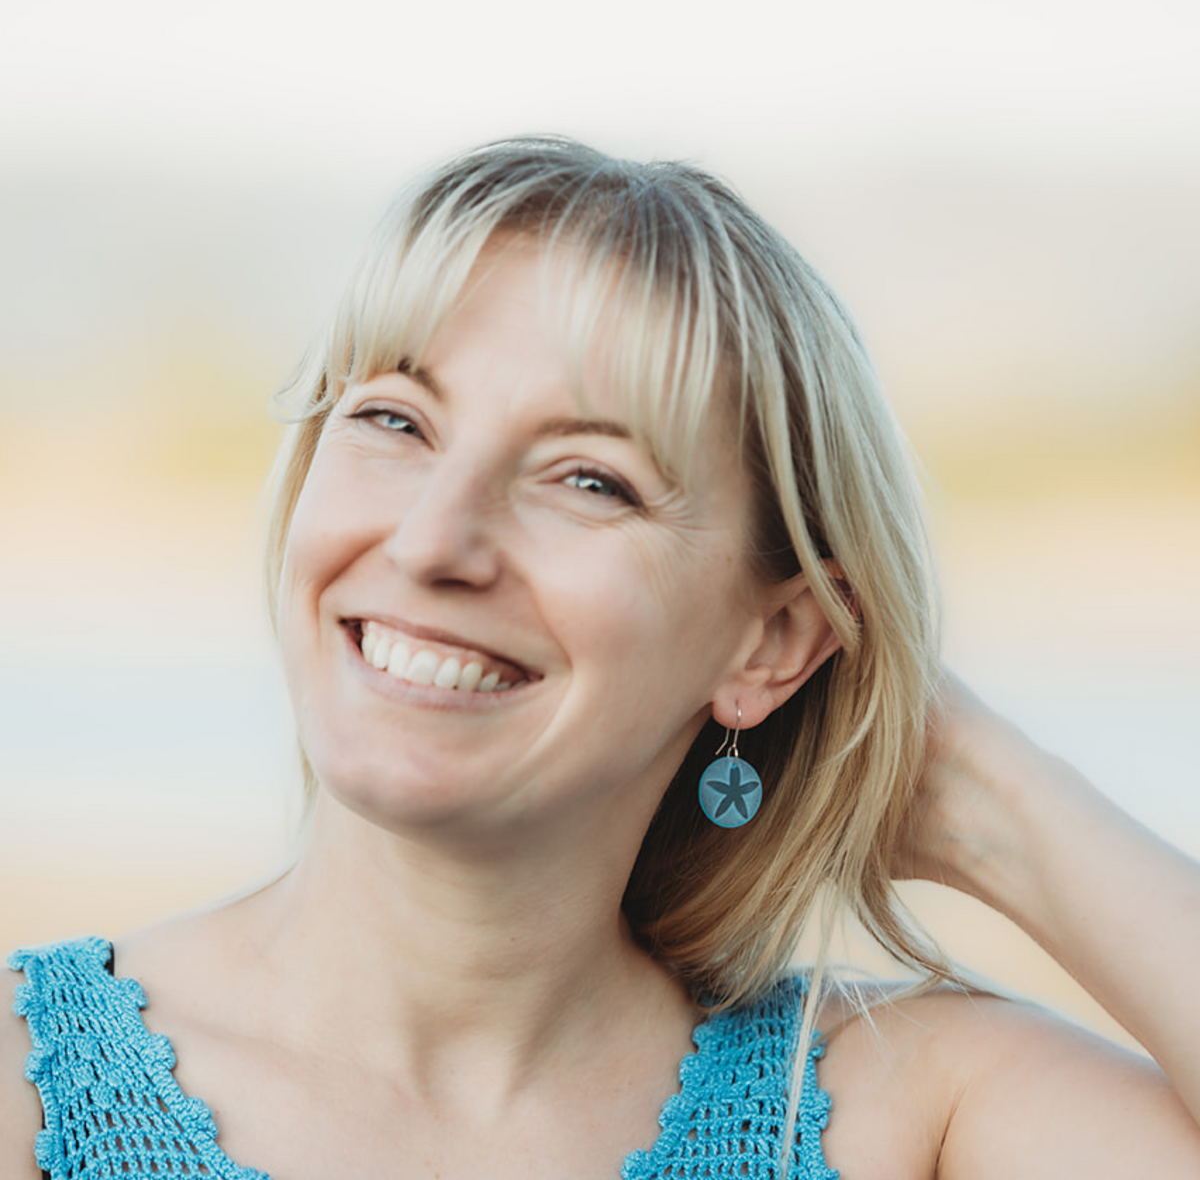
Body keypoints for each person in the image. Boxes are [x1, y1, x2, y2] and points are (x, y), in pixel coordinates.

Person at [2, 136, 1198, 1180]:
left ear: (772, 642)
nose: (431, 542)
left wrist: (989, 797)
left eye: (588, 479)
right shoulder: (28, 1089)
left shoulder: (899, 1108)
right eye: (394, 420)